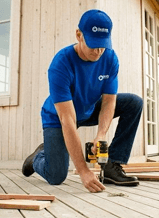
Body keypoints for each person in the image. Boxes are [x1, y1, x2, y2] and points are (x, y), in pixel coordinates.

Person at [22, 9, 143, 193]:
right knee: (56, 176)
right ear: (79, 35)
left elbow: (109, 101)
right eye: (93, 44)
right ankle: (39, 156)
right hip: (58, 117)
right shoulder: (60, 65)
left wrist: (101, 134)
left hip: (89, 107)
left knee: (134, 103)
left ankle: (113, 166)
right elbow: (67, 120)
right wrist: (83, 170)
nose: (98, 51)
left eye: (103, 45)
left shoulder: (109, 58)